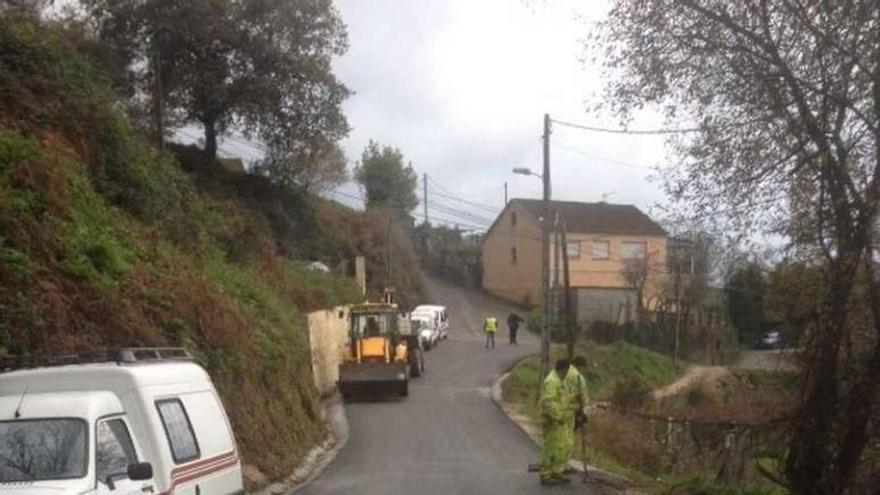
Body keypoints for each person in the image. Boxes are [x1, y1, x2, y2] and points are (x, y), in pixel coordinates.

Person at [539, 359, 574, 485]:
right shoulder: (552, 382)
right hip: (552, 420)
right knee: (550, 448)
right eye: (566, 371)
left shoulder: (560, 381)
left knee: (560, 447)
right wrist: (558, 417)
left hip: (560, 421)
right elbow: (548, 402)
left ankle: (556, 472)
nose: (567, 374)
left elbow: (563, 401)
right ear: (562, 369)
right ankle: (545, 475)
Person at [563, 356, 589, 467]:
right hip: (571, 410)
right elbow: (583, 397)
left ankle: (556, 464)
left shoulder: (563, 372)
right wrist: (583, 410)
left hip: (558, 408)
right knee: (568, 439)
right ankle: (563, 464)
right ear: (580, 366)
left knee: (559, 438)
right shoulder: (578, 377)